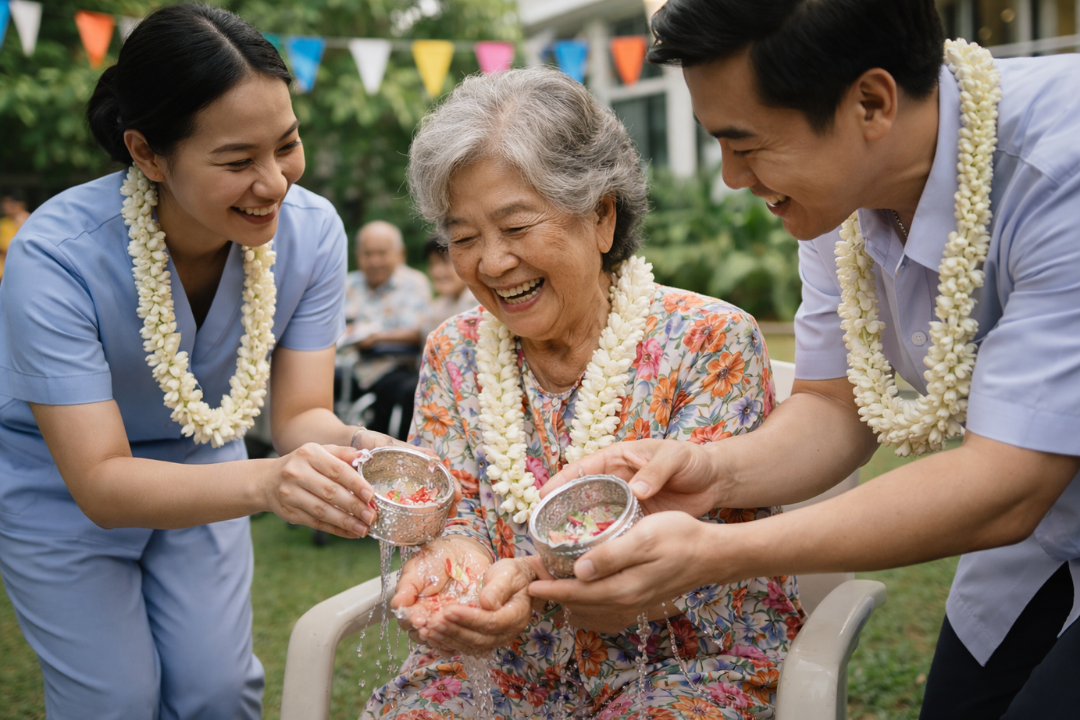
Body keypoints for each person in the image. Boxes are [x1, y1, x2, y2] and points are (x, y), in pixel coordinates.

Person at [529, 2, 1080, 718]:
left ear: (871, 102)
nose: (730, 176)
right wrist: (711, 473)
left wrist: (715, 554)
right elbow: (833, 405)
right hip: (1042, 547)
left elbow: (1009, 482)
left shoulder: (1058, 167)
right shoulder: (838, 192)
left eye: (746, 144)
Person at [0, 6, 420, 718]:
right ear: (148, 154)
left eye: (286, 145)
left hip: (209, 466)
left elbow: (297, 417)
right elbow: (100, 482)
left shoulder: (312, 234)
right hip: (59, 493)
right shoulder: (53, 257)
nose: (275, 182)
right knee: (116, 700)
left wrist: (365, 448)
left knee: (218, 692)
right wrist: (271, 484)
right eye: (237, 161)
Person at [362, 67, 803, 720]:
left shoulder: (708, 341)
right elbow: (452, 514)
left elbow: (678, 557)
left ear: (601, 216)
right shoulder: (453, 352)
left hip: (678, 659)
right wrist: (456, 561)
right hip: (502, 666)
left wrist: (528, 584)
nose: (490, 263)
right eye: (462, 238)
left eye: (515, 227)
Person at [338, 221, 431, 438]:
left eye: (382, 253)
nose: (374, 261)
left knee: (401, 391)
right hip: (346, 367)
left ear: (400, 254)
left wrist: (375, 338)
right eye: (368, 254)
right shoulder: (348, 284)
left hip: (391, 366)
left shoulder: (414, 283)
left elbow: (416, 331)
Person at [420, 233, 477, 339]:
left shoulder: (479, 303)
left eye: (446, 262)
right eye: (432, 263)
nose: (437, 271)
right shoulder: (438, 306)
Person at [0, 189, 30, 283]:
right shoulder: (4, 223)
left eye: (10, 204)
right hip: (4, 269)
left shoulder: (29, 220)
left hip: (23, 268)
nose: (5, 206)